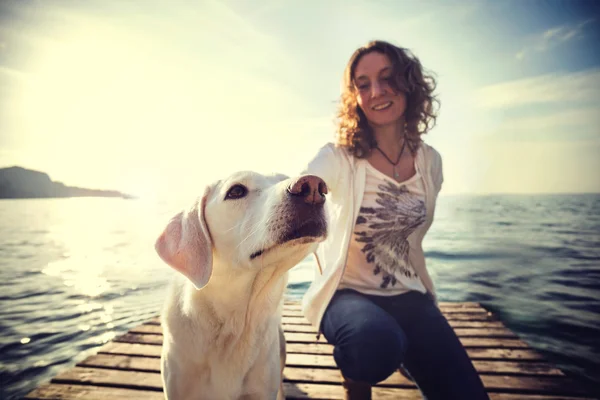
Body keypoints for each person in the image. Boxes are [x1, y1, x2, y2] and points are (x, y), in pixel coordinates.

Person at [300, 40, 490, 400]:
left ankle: (399, 346)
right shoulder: (339, 157)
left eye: (387, 78)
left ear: (408, 83)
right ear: (355, 96)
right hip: (346, 295)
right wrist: (304, 187)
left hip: (409, 294)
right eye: (364, 84)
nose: (377, 92)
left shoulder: (430, 163)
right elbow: (311, 180)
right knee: (374, 344)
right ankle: (358, 374)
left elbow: (413, 240)